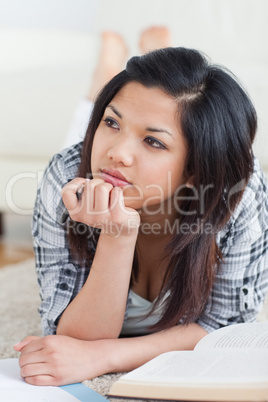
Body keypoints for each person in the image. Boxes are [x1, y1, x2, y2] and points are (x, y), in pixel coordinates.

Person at [14, 31, 268, 387]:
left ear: (197, 169)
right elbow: (71, 340)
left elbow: (225, 332)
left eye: (153, 141)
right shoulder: (66, 177)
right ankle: (114, 66)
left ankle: (148, 57)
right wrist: (118, 236)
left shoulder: (240, 193)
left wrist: (107, 356)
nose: (117, 152)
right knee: (92, 137)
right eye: (111, 122)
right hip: (95, 171)